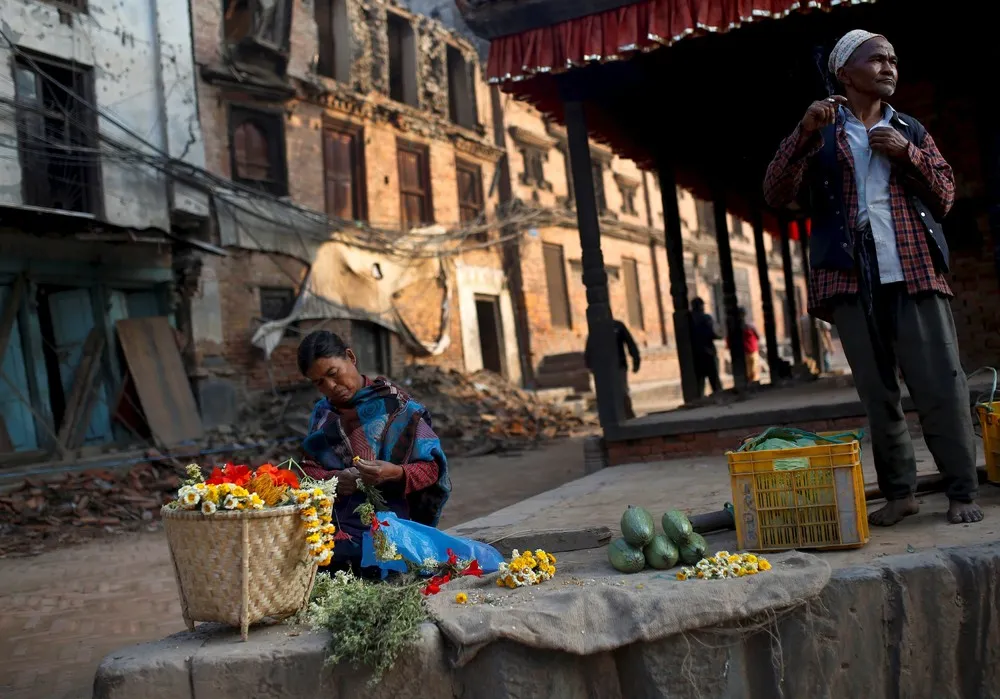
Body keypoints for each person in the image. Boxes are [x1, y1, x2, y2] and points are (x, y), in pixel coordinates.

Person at [763, 30, 982, 525]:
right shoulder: (820, 130)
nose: (889, 67)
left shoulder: (910, 129)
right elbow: (776, 193)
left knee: (940, 385)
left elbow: (946, 196)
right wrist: (801, 134)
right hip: (849, 277)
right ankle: (900, 493)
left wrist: (909, 155)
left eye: (894, 61)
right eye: (877, 59)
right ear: (845, 73)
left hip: (913, 269)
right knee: (876, 392)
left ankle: (961, 491)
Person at [296, 330, 451, 576]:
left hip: (393, 530)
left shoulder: (399, 408)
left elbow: (431, 469)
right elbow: (309, 470)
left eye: (333, 374)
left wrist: (395, 473)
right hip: (336, 531)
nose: (331, 387)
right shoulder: (323, 414)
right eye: (319, 383)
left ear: (350, 357)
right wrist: (335, 480)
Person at [584, 318, 640, 420]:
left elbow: (630, 342)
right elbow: (589, 347)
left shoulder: (618, 326)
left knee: (622, 391)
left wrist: (636, 360)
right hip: (603, 368)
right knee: (606, 393)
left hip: (619, 366)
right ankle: (611, 417)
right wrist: (590, 365)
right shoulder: (597, 328)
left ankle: (628, 416)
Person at [690, 298, 722, 396]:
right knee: (714, 380)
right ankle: (719, 397)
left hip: (694, 354)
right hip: (708, 352)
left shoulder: (688, 320)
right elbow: (714, 334)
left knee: (699, 381)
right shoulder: (706, 318)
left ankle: (699, 399)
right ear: (701, 306)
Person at [727, 307, 761, 384]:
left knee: (750, 370)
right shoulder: (748, 326)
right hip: (748, 350)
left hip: (747, 351)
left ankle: (750, 384)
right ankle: (752, 384)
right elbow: (757, 336)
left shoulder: (738, 326)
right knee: (751, 370)